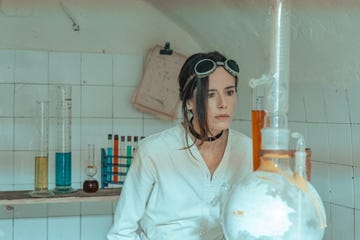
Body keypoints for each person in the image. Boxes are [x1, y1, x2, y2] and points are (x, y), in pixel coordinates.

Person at [107, 51, 253, 240]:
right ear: (189, 102)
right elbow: (121, 232)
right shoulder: (154, 151)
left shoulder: (249, 151)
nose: (223, 104)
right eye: (210, 94)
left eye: (229, 92)